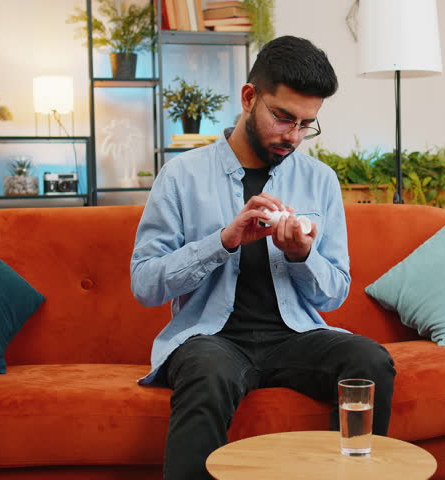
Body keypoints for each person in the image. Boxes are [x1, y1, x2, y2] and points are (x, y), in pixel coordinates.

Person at [130, 35, 396, 480]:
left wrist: (302, 255)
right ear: (249, 97)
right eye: (283, 118)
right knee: (208, 372)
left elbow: (335, 293)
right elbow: (144, 284)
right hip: (213, 339)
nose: (293, 136)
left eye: (306, 124)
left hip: (295, 338)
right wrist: (223, 241)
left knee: (369, 361)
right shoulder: (181, 176)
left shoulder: (320, 180)